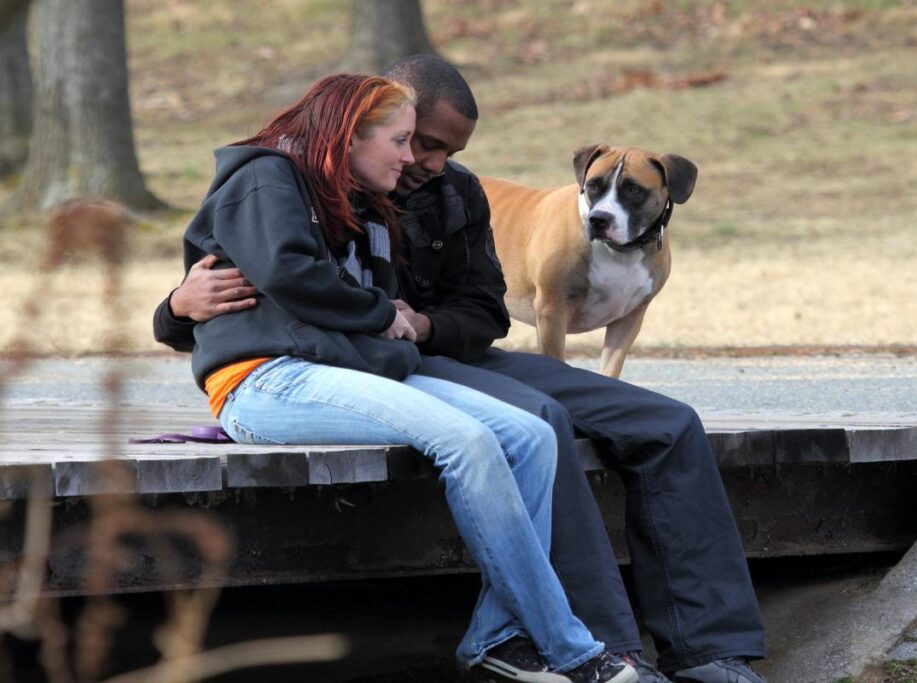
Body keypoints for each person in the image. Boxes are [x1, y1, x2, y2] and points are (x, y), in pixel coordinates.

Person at [154, 58, 767, 683]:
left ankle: (709, 650)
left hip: (443, 350)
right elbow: (251, 280)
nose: (428, 162)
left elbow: (485, 310)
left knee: (668, 422)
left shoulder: (450, 192)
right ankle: (608, 646)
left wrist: (423, 325)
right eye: (418, 142)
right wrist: (174, 309)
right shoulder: (327, 183)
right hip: (386, 364)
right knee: (539, 423)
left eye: (448, 150)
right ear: (384, 119)